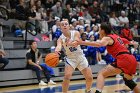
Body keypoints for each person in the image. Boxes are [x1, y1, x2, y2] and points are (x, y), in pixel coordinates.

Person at [77, 23, 140, 93]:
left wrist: (81, 42)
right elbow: (123, 40)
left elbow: (99, 44)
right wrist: (131, 42)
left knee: (101, 74)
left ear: (103, 31)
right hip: (131, 58)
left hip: (124, 59)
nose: (98, 31)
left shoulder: (107, 38)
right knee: (129, 81)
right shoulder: (116, 36)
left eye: (99, 29)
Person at [55, 19, 93, 93]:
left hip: (80, 57)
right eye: (62, 25)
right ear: (60, 28)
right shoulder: (60, 39)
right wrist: (56, 51)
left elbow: (76, 42)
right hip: (71, 59)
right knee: (67, 76)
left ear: (69, 26)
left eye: (66, 24)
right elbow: (58, 46)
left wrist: (69, 43)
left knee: (89, 78)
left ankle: (88, 90)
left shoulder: (76, 33)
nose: (64, 25)